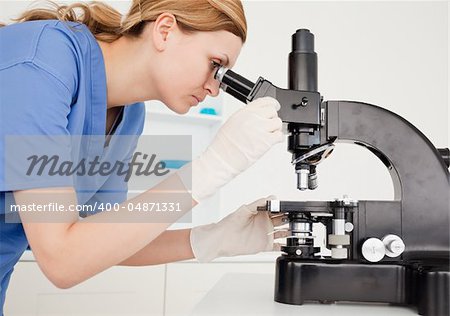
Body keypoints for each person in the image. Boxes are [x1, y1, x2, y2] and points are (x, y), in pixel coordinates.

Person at [0, 0, 285, 312]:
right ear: (164, 30)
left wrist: (211, 239)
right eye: (215, 64)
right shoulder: (43, 62)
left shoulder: (129, 114)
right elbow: (63, 260)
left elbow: (98, 241)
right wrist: (212, 167)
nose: (215, 88)